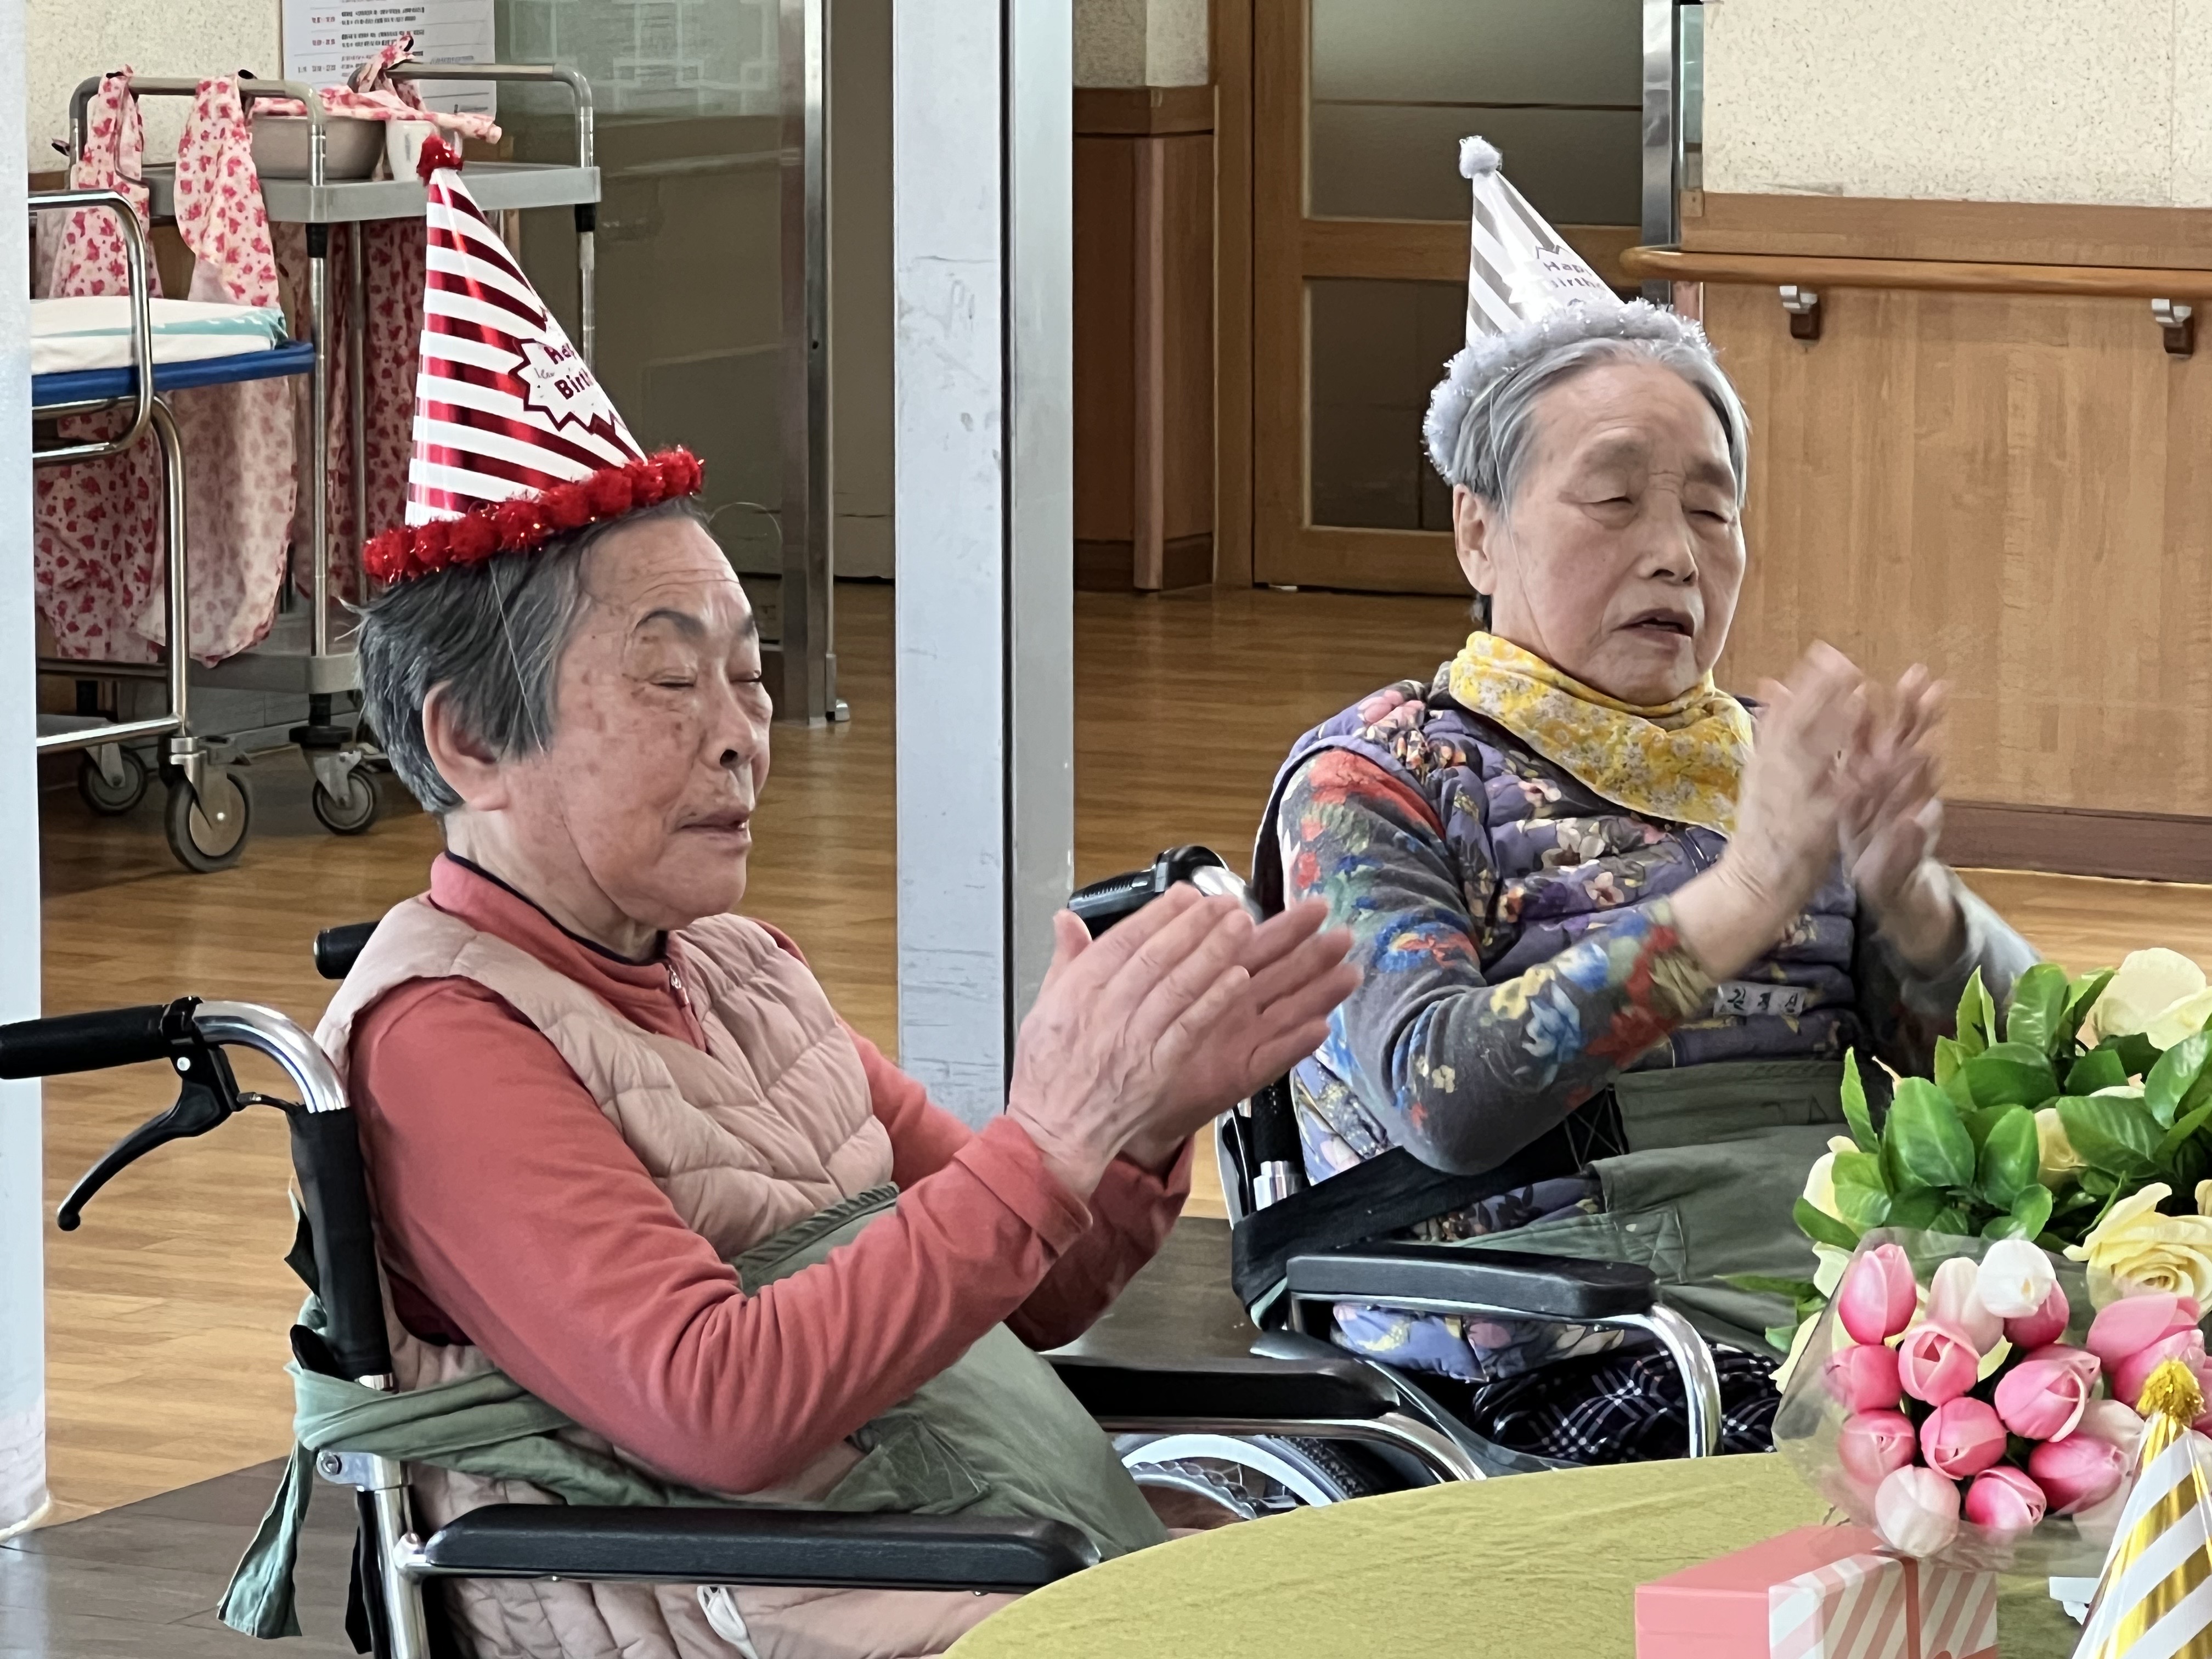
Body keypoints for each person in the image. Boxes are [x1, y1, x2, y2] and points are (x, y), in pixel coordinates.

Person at [297, 143, 1358, 1659]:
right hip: (716, 1603)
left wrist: (1133, 1126)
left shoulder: (740, 969)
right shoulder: (441, 1040)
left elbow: (1028, 1293)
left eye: (750, 675)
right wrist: (1051, 1133)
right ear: (471, 740)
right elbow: (715, 1405)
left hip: (928, 1547)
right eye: (672, 679)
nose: (742, 732)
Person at [1250, 140, 2035, 1466]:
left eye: (1713, 514)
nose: (1675, 552)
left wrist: (1911, 901)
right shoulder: (1377, 779)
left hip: (1844, 1301)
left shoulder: (1778, 761)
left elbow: (2014, 1075)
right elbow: (1446, 1098)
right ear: (1478, 530)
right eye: (1614, 500)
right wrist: (1742, 899)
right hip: (1570, 1338)